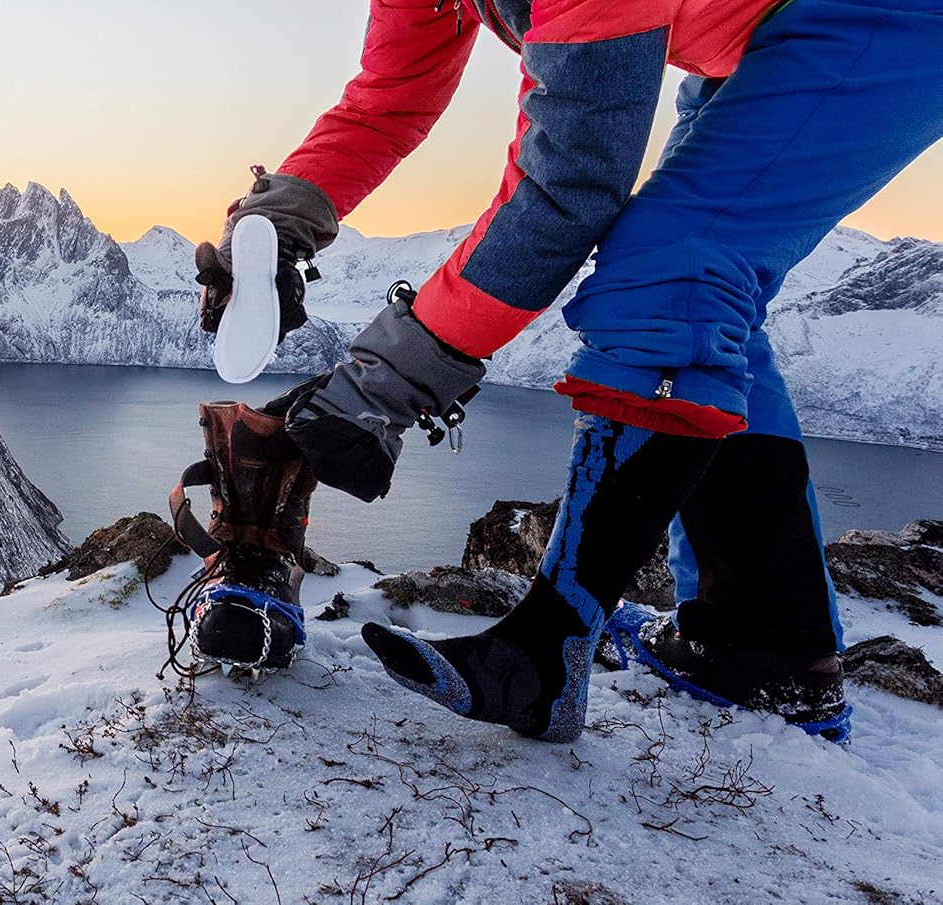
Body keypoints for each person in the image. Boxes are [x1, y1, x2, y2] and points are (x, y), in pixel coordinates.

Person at [174, 0, 942, 743]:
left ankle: (547, 653)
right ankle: (761, 642)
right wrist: (281, 215)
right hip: (753, 36)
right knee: (704, 292)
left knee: (677, 266)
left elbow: (568, 186)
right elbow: (387, 100)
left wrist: (390, 380)